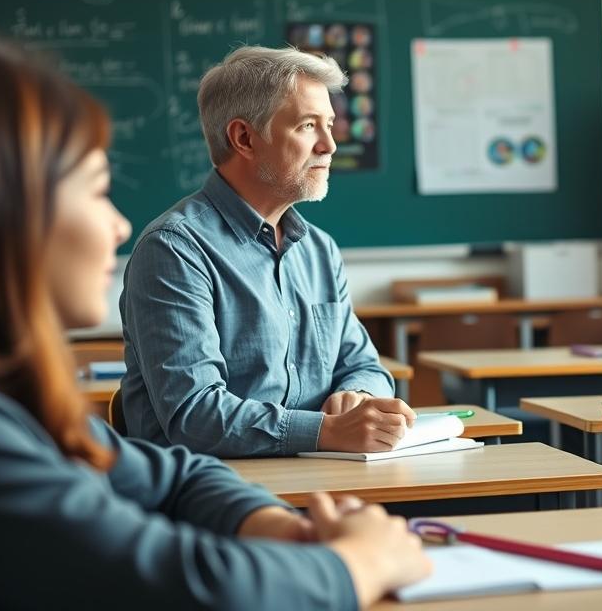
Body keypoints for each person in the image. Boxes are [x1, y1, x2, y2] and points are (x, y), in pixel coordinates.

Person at [0, 41, 429, 608]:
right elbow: (197, 584)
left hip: (308, 494)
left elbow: (175, 475)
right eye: (96, 190)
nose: (119, 226)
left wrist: (284, 528)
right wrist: (361, 562)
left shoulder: (8, 395)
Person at [121, 45, 412, 457]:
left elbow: (365, 365)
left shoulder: (318, 250)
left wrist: (357, 394)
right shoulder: (174, 250)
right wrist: (326, 432)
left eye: (330, 124)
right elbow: (194, 414)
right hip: (208, 495)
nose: (329, 145)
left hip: (322, 476)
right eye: (309, 126)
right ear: (244, 138)